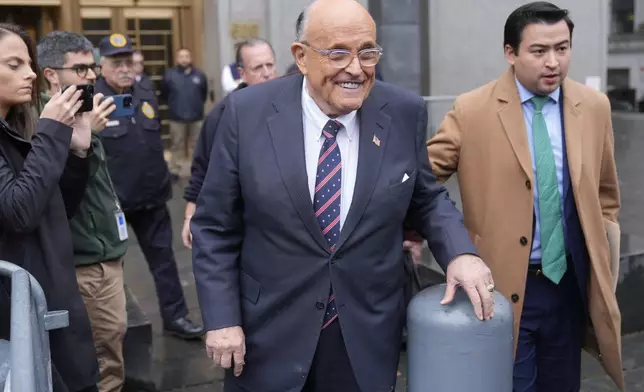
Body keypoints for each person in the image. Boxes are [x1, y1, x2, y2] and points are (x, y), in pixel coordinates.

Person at [191, 1, 495, 391]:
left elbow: (426, 197)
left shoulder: (402, 112)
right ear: (301, 57)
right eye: (338, 53)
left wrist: (461, 252)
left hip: (364, 336)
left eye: (367, 52)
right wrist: (221, 318)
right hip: (265, 335)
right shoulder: (244, 113)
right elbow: (214, 227)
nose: (356, 68)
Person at [423, 2, 623, 390]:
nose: (553, 62)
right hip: (501, 287)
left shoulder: (594, 107)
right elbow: (423, 181)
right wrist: (454, 243)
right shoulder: (472, 109)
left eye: (562, 48)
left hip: (569, 286)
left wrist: (604, 253)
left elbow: (605, 192)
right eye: (539, 51)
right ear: (510, 53)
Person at [0, 23, 99, 392]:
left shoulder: (19, 125)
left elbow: (57, 207)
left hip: (51, 294)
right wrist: (51, 131)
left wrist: (76, 150)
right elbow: (19, 213)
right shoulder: (35, 128)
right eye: (14, 64)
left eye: (28, 63)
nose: (29, 74)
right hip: (17, 309)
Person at [37, 31, 130, 392]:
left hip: (107, 249)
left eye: (91, 67)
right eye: (80, 69)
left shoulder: (83, 109)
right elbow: (54, 193)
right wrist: (82, 140)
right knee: (103, 355)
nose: (91, 75)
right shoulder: (44, 122)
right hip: (86, 260)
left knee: (112, 342)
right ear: (51, 75)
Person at [94, 33, 203, 340]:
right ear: (103, 66)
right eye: (117, 63)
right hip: (112, 202)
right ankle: (111, 330)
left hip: (151, 197)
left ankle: (176, 317)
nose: (125, 68)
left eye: (129, 61)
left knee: (164, 261)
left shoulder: (144, 89)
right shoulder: (92, 98)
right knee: (109, 270)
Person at [181, 38, 277, 248]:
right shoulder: (223, 114)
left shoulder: (291, 105)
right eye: (258, 67)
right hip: (241, 216)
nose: (267, 72)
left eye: (270, 65)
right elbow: (202, 168)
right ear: (242, 74)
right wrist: (190, 216)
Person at [160, 48, 208, 178]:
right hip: (176, 116)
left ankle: (197, 171)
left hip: (196, 117)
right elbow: (163, 93)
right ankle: (174, 170)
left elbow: (203, 94)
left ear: (190, 58)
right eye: (181, 56)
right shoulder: (169, 75)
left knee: (196, 145)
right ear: (177, 59)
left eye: (187, 56)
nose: (184, 59)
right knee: (177, 145)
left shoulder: (199, 75)